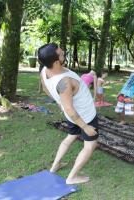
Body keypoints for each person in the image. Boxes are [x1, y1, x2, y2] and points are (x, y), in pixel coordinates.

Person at [38, 43, 98, 185]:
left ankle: (54, 166)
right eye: (61, 53)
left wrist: (60, 103)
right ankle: (72, 177)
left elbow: (46, 89)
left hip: (72, 115)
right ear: (56, 61)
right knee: (90, 145)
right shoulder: (63, 82)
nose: (64, 52)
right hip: (84, 117)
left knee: (71, 136)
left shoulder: (45, 70)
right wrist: (86, 127)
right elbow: (71, 110)